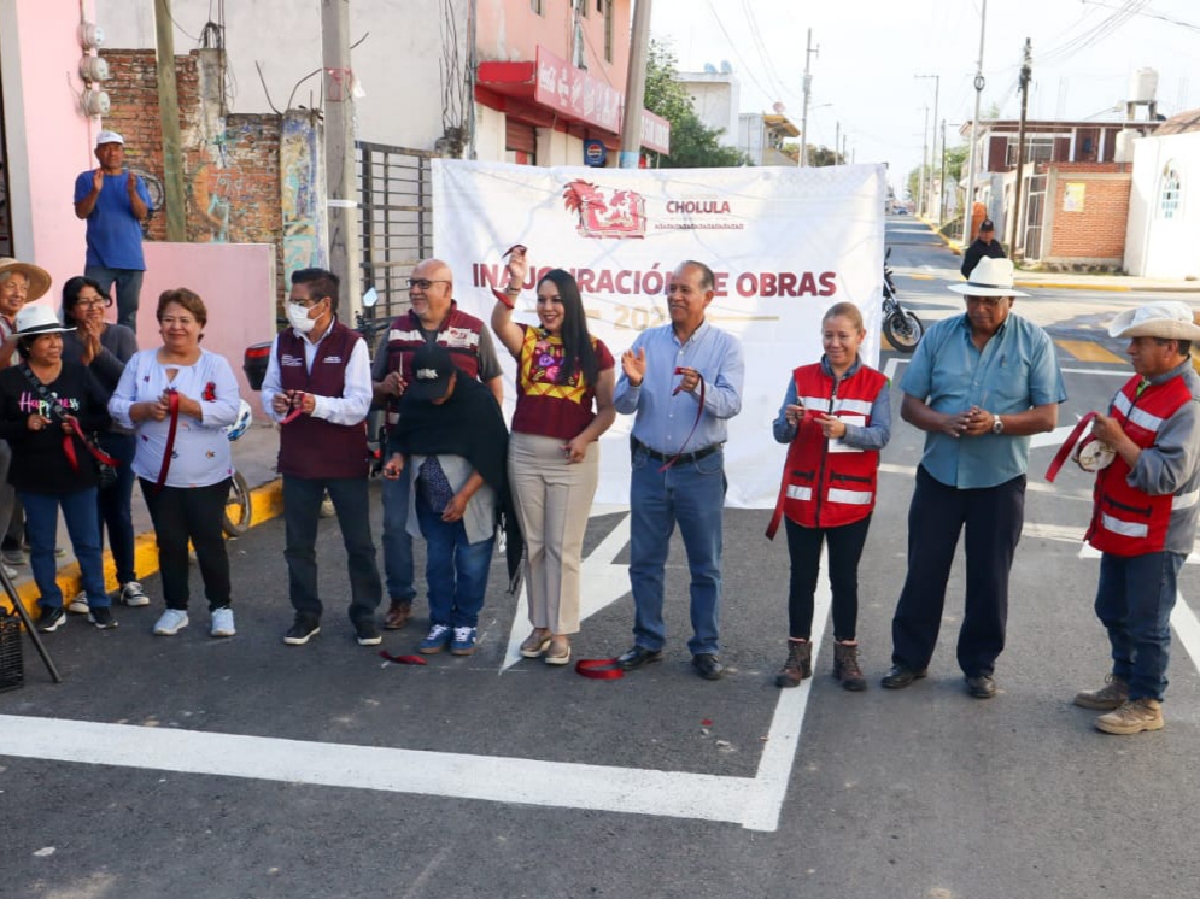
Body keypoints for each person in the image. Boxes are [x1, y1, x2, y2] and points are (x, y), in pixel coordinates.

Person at [883, 257, 1066, 698]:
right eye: (973, 299)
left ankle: (979, 666)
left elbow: (1047, 416)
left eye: (989, 300)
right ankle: (910, 659)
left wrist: (997, 423)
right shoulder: (941, 336)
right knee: (924, 573)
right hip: (939, 476)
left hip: (999, 481)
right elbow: (910, 405)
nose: (979, 308)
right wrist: (943, 423)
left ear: (1009, 301)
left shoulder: (1033, 341)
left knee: (990, 578)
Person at [612, 260, 745, 681]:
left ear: (709, 295)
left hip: (700, 471)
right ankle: (647, 640)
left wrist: (700, 388)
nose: (675, 297)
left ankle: (706, 646)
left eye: (685, 290)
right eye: (671, 289)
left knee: (705, 565)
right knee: (644, 561)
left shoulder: (726, 346)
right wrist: (632, 383)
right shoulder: (648, 341)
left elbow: (732, 403)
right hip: (649, 467)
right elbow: (622, 404)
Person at [1073, 303, 1200, 735]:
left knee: (1147, 624)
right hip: (1123, 526)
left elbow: (1165, 476)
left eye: (1139, 342)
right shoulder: (1143, 383)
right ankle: (1124, 683)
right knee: (1112, 609)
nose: (1129, 350)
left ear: (1169, 347)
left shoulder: (1188, 404)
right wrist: (1098, 447)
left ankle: (1147, 702)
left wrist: (1118, 440)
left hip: (1159, 535)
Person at [490, 248, 616, 665]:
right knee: (536, 546)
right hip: (524, 452)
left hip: (572, 458)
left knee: (564, 547)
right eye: (542, 299)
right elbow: (498, 323)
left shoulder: (596, 350)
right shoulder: (527, 339)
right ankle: (540, 627)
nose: (547, 308)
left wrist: (585, 438)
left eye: (556, 300)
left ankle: (562, 633)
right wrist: (514, 284)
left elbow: (609, 408)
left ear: (571, 303)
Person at [372, 257, 504, 632]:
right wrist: (384, 388)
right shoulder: (395, 331)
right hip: (405, 450)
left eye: (423, 284)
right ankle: (401, 597)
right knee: (396, 527)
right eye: (412, 283)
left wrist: (487, 440)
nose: (414, 290)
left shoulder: (474, 330)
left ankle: (458, 619)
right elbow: (372, 386)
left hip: (459, 458)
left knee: (456, 536)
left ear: (447, 289)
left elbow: (492, 385)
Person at [767, 301, 891, 691]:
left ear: (860, 337)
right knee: (801, 578)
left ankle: (846, 657)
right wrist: (787, 422)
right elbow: (779, 433)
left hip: (851, 503)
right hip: (803, 499)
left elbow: (882, 436)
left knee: (844, 579)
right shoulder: (801, 377)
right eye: (828, 335)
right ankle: (797, 656)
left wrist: (845, 432)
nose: (835, 343)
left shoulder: (876, 384)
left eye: (843, 335)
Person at [109, 289, 240, 637]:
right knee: (169, 541)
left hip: (206, 474)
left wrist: (193, 407)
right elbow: (118, 404)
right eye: (168, 319)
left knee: (208, 538)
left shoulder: (215, 365)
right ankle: (175, 607)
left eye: (185, 320)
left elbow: (230, 410)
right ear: (159, 324)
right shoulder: (141, 362)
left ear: (200, 326)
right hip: (156, 473)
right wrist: (143, 410)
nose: (176, 327)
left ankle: (220, 607)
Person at [263, 268, 383, 647]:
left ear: (324, 304)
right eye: (291, 301)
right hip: (299, 460)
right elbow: (269, 390)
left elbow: (359, 405)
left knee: (358, 543)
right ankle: (306, 613)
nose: (293, 309)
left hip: (343, 460)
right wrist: (277, 403)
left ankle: (364, 613)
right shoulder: (282, 342)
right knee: (298, 543)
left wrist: (316, 405)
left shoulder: (352, 344)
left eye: (300, 302)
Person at [382, 342, 520, 656]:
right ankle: (441, 621)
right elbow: (404, 435)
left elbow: (491, 451)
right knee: (438, 563)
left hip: (471, 494)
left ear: (454, 377)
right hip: (431, 497)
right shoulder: (418, 397)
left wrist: (463, 497)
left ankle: (465, 623)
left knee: (471, 562)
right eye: (429, 390)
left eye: (441, 389)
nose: (436, 397)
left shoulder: (478, 400)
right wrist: (398, 460)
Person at [0, 305, 113, 631]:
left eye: (57, 338)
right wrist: (25, 424)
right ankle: (51, 604)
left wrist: (81, 424)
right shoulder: (8, 380)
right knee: (43, 546)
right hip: (33, 477)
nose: (55, 344)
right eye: (45, 338)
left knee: (88, 542)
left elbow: (105, 415)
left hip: (78, 474)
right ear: (27, 345)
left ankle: (98, 601)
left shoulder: (79, 373)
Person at [60, 276, 144, 610]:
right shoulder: (63, 342)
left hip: (118, 434)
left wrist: (100, 351)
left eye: (99, 299)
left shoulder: (121, 334)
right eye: (84, 302)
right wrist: (84, 358)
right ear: (70, 309)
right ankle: (90, 583)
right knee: (87, 512)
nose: (94, 307)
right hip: (79, 435)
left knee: (118, 510)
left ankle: (128, 579)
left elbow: (132, 380)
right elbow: (64, 386)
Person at [0, 257, 52, 578]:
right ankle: (8, 542)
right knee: (7, 471)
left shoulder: (14, 324)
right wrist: (18, 338)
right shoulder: (9, 328)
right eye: (10, 286)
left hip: (22, 407)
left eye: (22, 287)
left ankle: (24, 537)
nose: (18, 293)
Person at [74, 131, 151, 331]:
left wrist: (132, 192)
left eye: (116, 148)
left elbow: (142, 213)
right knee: (90, 312)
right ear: (97, 152)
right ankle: (92, 356)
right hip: (99, 261)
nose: (112, 153)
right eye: (106, 148)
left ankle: (127, 359)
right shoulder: (86, 179)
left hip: (131, 260)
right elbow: (82, 212)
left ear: (122, 152)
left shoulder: (135, 181)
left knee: (128, 317)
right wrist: (95, 190)